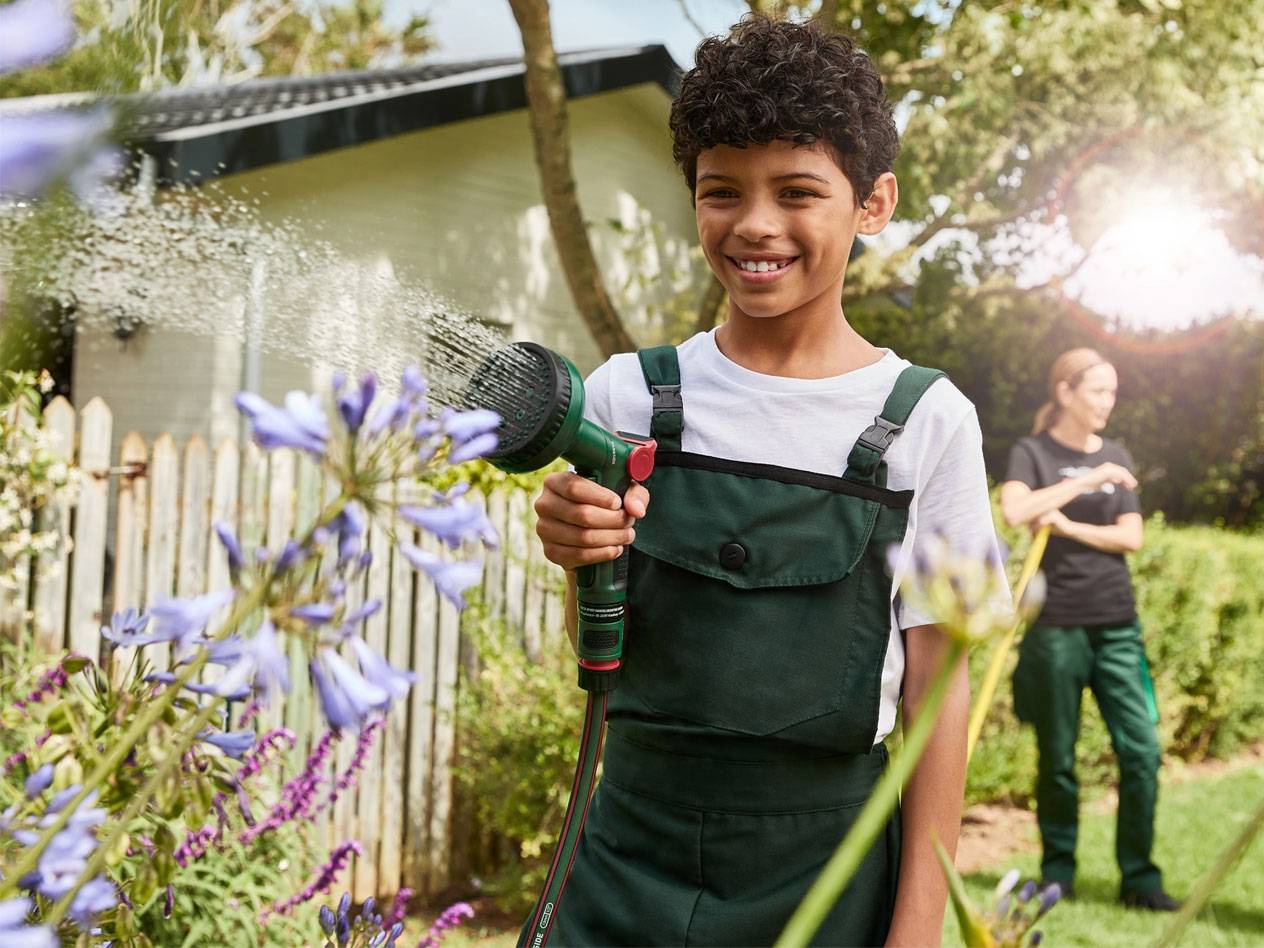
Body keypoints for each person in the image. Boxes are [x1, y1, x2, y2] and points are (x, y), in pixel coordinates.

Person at [529, 15, 1007, 946]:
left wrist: (914, 935)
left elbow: (937, 704)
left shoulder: (927, 422)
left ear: (872, 205)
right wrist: (574, 544)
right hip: (627, 849)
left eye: (797, 191)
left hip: (827, 868)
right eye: (721, 191)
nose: (754, 224)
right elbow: (601, 636)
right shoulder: (629, 393)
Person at [1000, 347, 1179, 911]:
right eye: (1098, 390)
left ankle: (1140, 879)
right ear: (1065, 393)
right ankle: (1059, 873)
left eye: (1112, 392)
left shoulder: (1118, 453)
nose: (1108, 401)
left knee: (1142, 751)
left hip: (1116, 624)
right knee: (1057, 757)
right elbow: (1015, 511)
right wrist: (1085, 483)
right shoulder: (1033, 452)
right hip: (1055, 624)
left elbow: (1131, 537)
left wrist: (1066, 525)